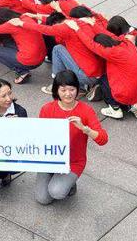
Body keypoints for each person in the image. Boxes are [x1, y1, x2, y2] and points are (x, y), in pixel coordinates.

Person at [36, 70, 108, 205]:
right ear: (56, 90)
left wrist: (86, 129)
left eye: (72, 89)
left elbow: (103, 139)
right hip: (50, 159)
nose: (68, 94)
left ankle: (70, 183)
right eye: (63, 90)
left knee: (56, 192)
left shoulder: (86, 111)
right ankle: (57, 178)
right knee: (43, 199)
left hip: (73, 162)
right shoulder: (47, 109)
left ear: (77, 89)